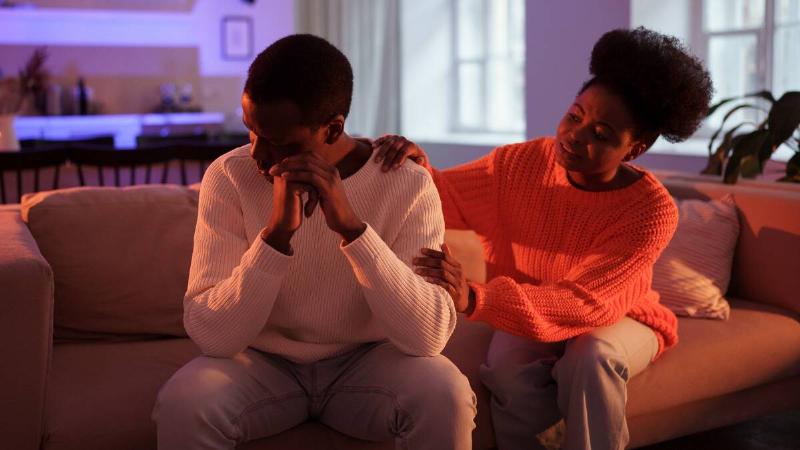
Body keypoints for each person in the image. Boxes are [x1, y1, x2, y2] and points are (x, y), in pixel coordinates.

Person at [373, 27, 713, 450]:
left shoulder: (652, 210)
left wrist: (477, 298)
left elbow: (585, 302)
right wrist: (414, 163)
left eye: (601, 134)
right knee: (505, 367)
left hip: (618, 317)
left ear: (634, 149)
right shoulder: (521, 163)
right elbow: (446, 195)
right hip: (531, 307)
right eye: (575, 116)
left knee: (591, 358)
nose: (575, 136)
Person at [152, 34, 476, 450]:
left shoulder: (407, 184)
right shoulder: (229, 176)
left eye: (281, 143)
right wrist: (275, 238)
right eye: (252, 132)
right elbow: (212, 336)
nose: (259, 157)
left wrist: (354, 232)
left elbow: (428, 337)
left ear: (333, 128)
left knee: (445, 393)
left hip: (370, 363)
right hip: (262, 363)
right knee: (185, 402)